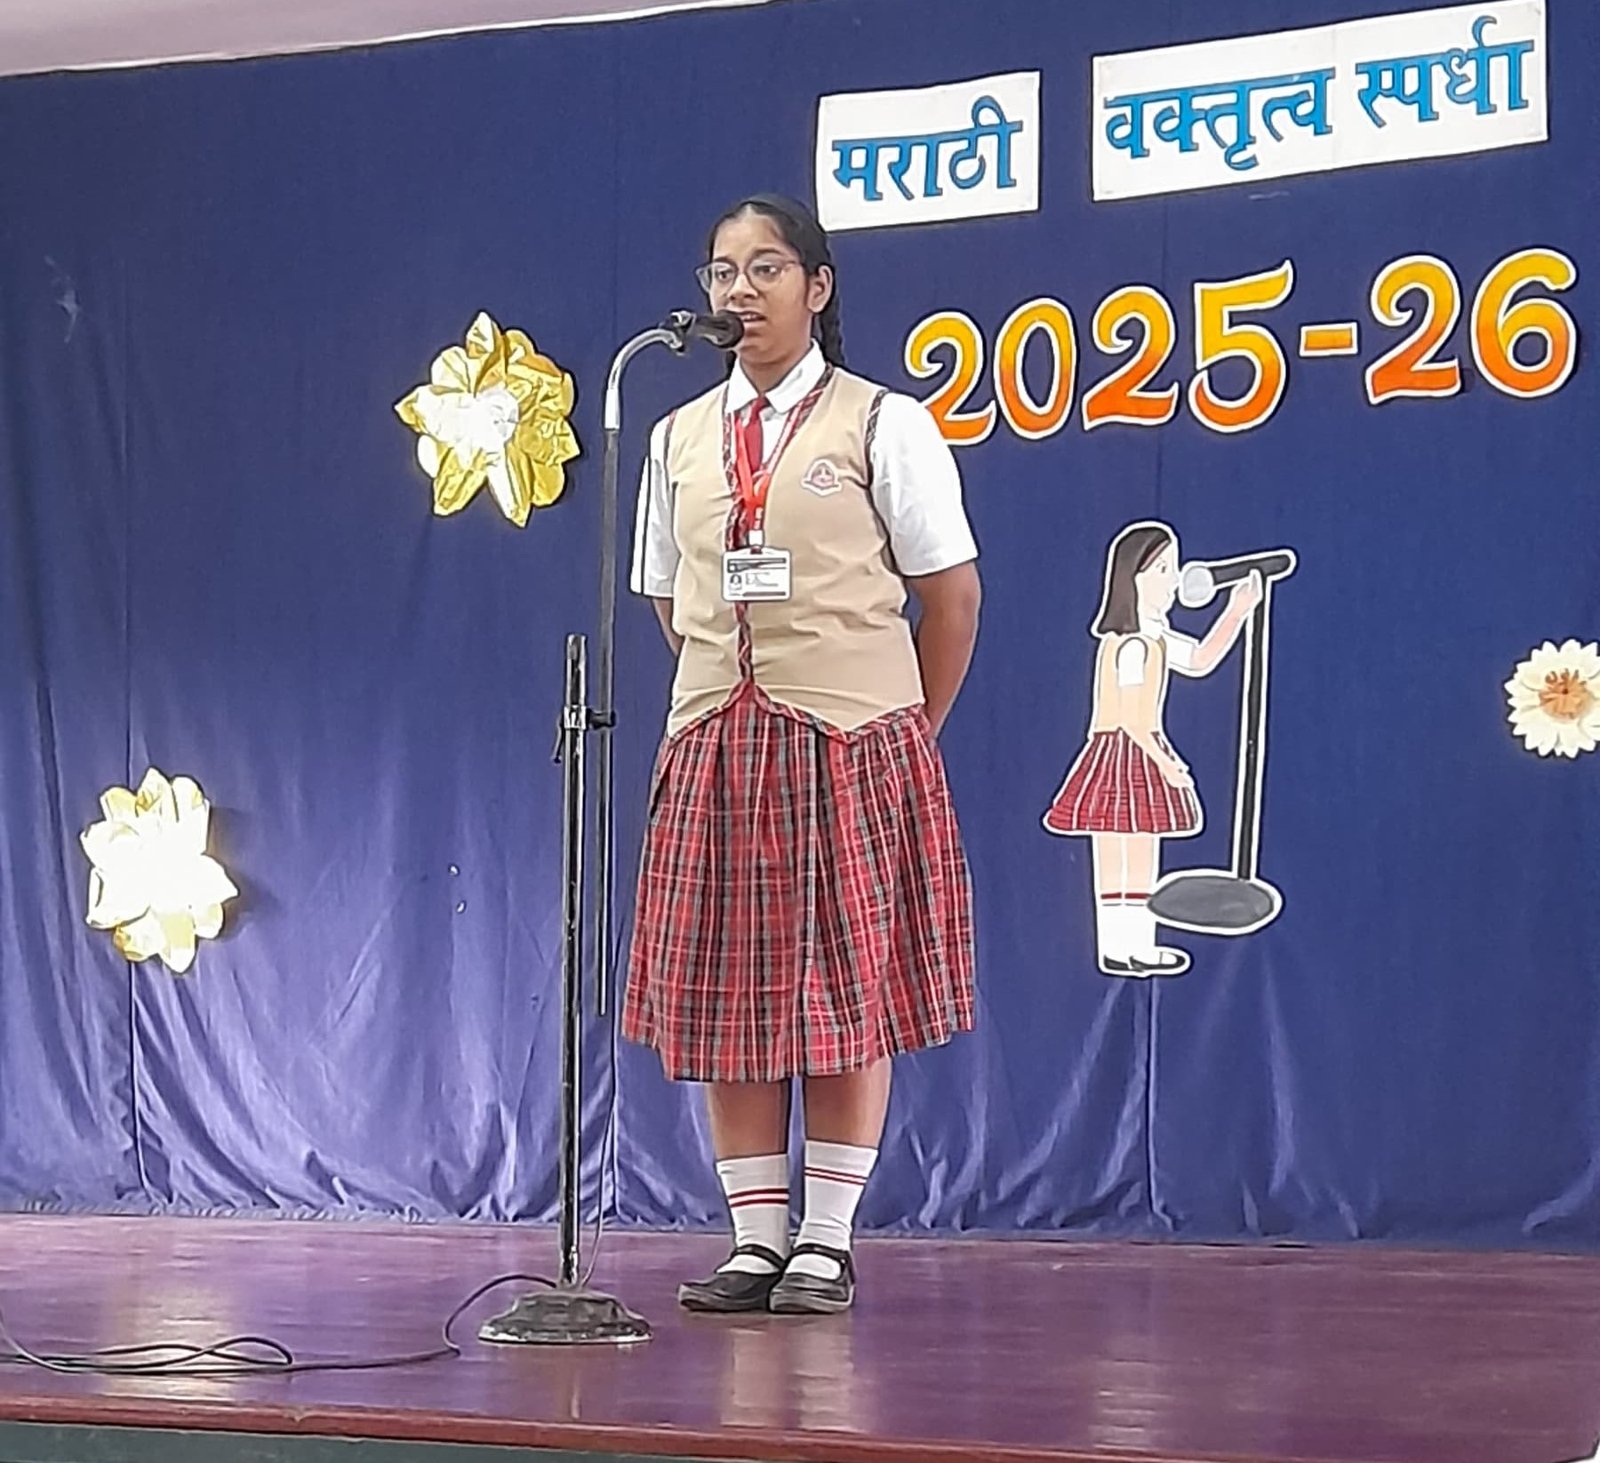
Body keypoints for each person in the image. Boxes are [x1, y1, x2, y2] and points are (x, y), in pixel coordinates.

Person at [625, 193, 981, 1314]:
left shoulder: (885, 422)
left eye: (766, 267)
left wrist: (901, 727)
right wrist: (732, 689)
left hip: (851, 743)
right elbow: (670, 600)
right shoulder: (675, 437)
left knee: (842, 991)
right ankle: (753, 1239)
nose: (741, 290)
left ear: (817, 287)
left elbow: (951, 598)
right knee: (729, 998)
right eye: (722, 272)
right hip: (718, 742)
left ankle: (826, 1238)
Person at [1042, 521, 1260, 976]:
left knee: (1135, 856)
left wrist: (1237, 611)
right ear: (1134, 579)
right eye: (1162, 570)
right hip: (1126, 752)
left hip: (1132, 749)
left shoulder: (1155, 639)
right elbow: (1131, 718)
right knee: (1121, 854)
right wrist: (1168, 764)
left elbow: (1199, 659)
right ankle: (1118, 946)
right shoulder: (1133, 647)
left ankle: (1133, 944)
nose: (1173, 579)